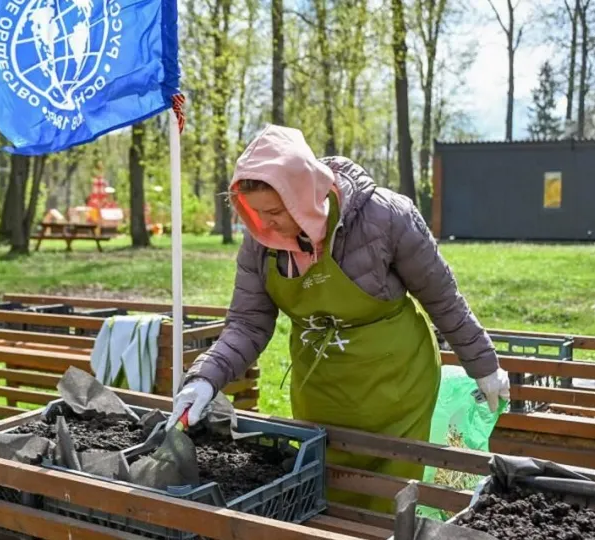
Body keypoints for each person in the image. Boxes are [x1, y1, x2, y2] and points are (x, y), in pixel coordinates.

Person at [167, 125, 509, 512]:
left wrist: (484, 365)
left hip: (398, 390)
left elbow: (442, 297)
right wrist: (205, 378)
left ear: (302, 194)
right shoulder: (260, 245)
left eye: (275, 212)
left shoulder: (386, 217)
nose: (266, 224)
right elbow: (247, 324)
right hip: (322, 395)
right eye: (255, 213)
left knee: (389, 506)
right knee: (326, 501)